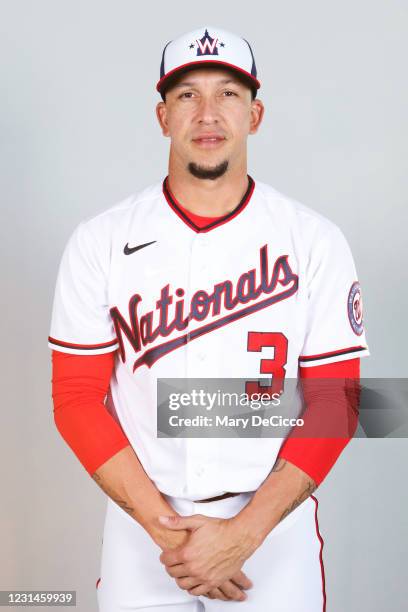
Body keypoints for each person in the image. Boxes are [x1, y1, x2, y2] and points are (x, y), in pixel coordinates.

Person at [48, 26, 370, 611]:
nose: (207, 113)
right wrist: (170, 534)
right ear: (162, 115)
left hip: (273, 529)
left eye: (227, 93)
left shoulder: (313, 240)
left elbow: (338, 398)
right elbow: (75, 397)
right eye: (187, 95)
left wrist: (245, 534)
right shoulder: (100, 241)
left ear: (256, 113)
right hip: (144, 527)